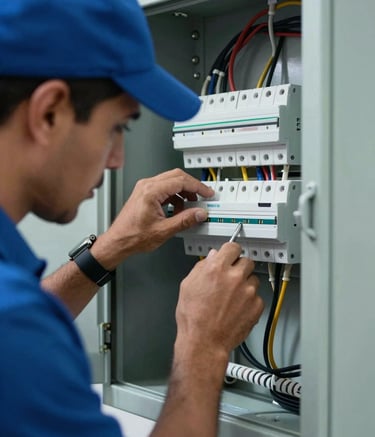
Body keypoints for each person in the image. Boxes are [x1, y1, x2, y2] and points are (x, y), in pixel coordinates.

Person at [0, 1, 264, 436]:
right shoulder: (15, 329)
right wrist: (204, 346)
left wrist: (109, 249)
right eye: (117, 127)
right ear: (49, 113)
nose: (119, 161)